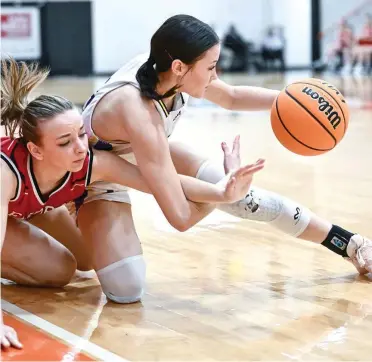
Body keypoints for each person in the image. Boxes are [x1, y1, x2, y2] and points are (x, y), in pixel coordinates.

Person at [80, 13, 372, 310]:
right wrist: (224, 191)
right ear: (180, 67)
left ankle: (350, 243)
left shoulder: (166, 68)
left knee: (247, 199)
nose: (215, 75)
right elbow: (180, 218)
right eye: (211, 67)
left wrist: (293, 100)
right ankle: (65, 218)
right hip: (93, 181)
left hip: (132, 153)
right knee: (125, 287)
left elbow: (231, 97)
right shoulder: (140, 113)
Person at [0, 58, 265, 349]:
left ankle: (22, 220)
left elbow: (161, 183)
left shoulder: (90, 161)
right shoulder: (5, 174)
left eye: (80, 133)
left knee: (86, 260)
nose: (79, 146)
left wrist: (224, 191)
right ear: (36, 150)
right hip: (11, 197)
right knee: (60, 270)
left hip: (26, 204)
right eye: (65, 142)